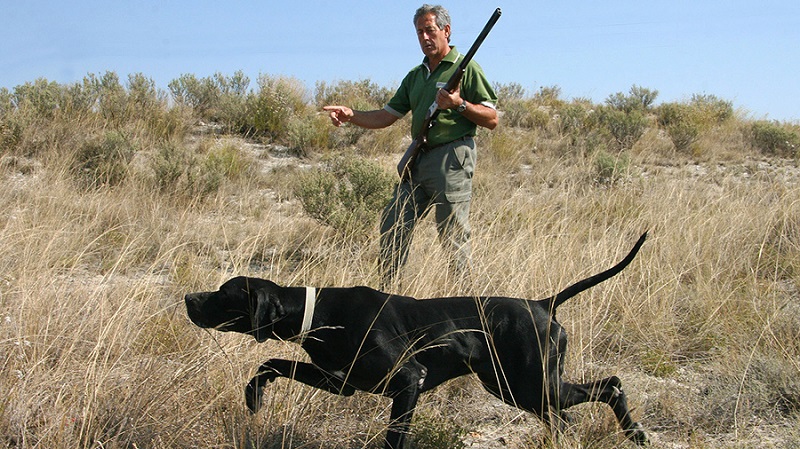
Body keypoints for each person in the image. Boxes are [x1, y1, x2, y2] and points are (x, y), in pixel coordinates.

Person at [323, 4, 498, 288]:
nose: (425, 37)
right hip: (418, 160)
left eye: (430, 30)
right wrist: (352, 115)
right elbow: (386, 116)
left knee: (453, 235)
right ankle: (388, 298)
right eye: (420, 32)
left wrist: (459, 104)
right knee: (393, 224)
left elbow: (491, 119)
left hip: (452, 158)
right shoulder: (415, 76)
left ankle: (465, 307)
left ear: (446, 30)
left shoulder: (466, 68)